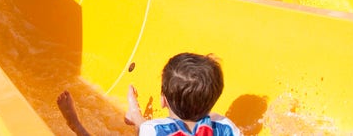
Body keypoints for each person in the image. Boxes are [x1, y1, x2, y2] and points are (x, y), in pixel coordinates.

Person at [57, 52, 238, 136]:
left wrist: (77, 124)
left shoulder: (154, 130)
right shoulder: (226, 127)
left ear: (163, 101)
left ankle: (75, 125)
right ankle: (135, 114)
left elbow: (149, 130)